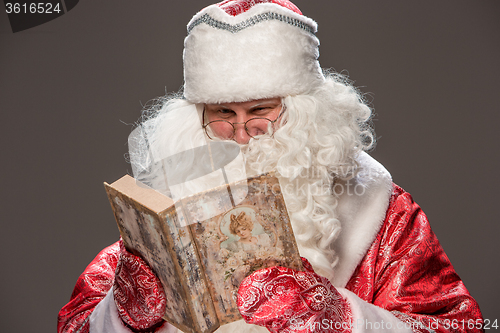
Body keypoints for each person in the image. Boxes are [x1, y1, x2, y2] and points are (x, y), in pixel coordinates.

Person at [58, 1, 484, 332]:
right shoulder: (170, 198)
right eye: (222, 112)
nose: (243, 133)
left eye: (261, 109)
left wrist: (335, 317)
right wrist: (121, 312)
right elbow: (74, 323)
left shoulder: (382, 213)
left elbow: (457, 324)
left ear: (304, 111)